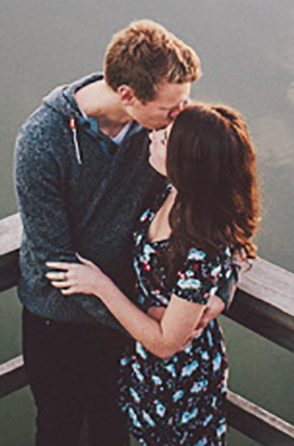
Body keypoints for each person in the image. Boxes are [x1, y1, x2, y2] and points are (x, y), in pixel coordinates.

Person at [15, 20, 221, 446]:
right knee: (58, 429)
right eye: (172, 107)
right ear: (127, 96)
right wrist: (153, 328)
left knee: (113, 430)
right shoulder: (41, 142)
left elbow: (222, 208)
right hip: (59, 322)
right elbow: (57, 262)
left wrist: (219, 295)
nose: (181, 116)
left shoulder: (162, 133)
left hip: (131, 321)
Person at [47, 103, 259, 446]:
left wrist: (100, 286)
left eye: (165, 139)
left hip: (179, 385)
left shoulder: (199, 242)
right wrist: (221, 295)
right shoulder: (172, 191)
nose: (153, 135)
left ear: (188, 163)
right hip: (143, 365)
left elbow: (166, 344)